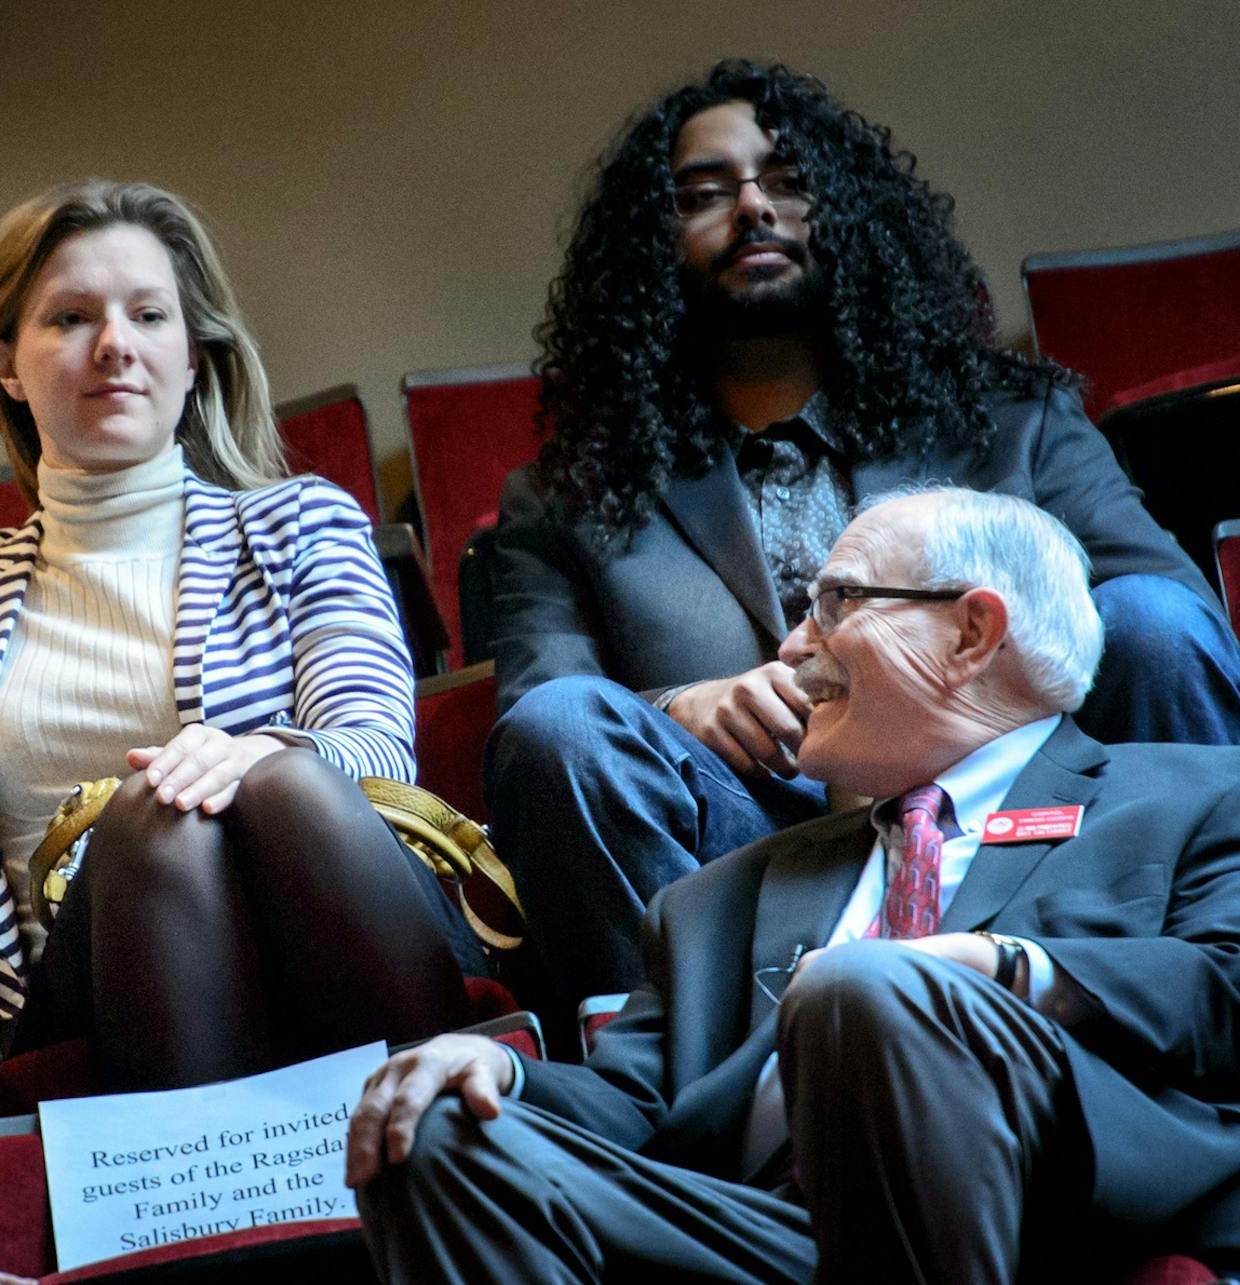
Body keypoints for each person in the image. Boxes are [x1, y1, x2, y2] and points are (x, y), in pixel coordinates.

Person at [485, 59, 1240, 1015]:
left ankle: (1206, 990)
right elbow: (540, 701)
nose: (754, 208)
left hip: (1026, 826)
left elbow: (1166, 619)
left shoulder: (1010, 419)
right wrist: (684, 704)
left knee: (1152, 618)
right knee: (557, 731)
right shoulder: (565, 499)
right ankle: (685, 1090)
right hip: (753, 853)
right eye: (703, 195)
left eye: (787, 180)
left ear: (846, 210)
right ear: (648, 250)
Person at [348, 486, 1240, 1282]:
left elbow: (1222, 987)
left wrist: (997, 969)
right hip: (764, 1232)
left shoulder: (1193, 796)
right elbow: (631, 1106)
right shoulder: (715, 897)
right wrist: (500, 1065)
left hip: (1044, 1209)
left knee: (868, 986)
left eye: (838, 602)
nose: (790, 644)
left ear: (973, 631)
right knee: (432, 1136)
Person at [0, 179, 478, 1093]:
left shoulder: (302, 525)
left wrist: (247, 757)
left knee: (272, 779)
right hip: (88, 986)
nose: (116, 346)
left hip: (328, 917)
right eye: (71, 317)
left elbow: (375, 749)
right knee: (150, 811)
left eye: (149, 314)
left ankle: (450, 1147)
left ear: (195, 353)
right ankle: (235, 1205)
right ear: (8, 364)